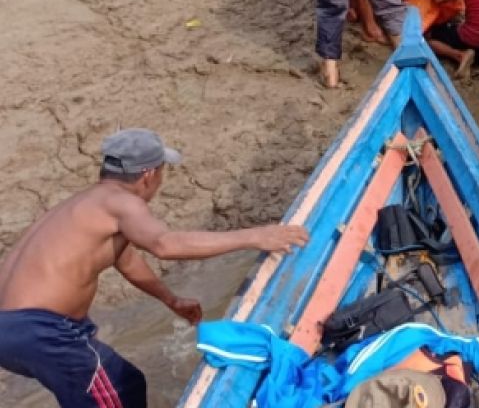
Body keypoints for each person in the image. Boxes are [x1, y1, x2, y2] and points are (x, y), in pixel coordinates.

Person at [0, 129, 308, 408]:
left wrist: (170, 299)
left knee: (127, 383)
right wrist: (254, 236)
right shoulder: (121, 202)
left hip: (17, 328)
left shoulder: (85, 204)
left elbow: (127, 261)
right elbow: (164, 244)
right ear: (148, 174)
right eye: (162, 172)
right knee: (117, 391)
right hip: (41, 328)